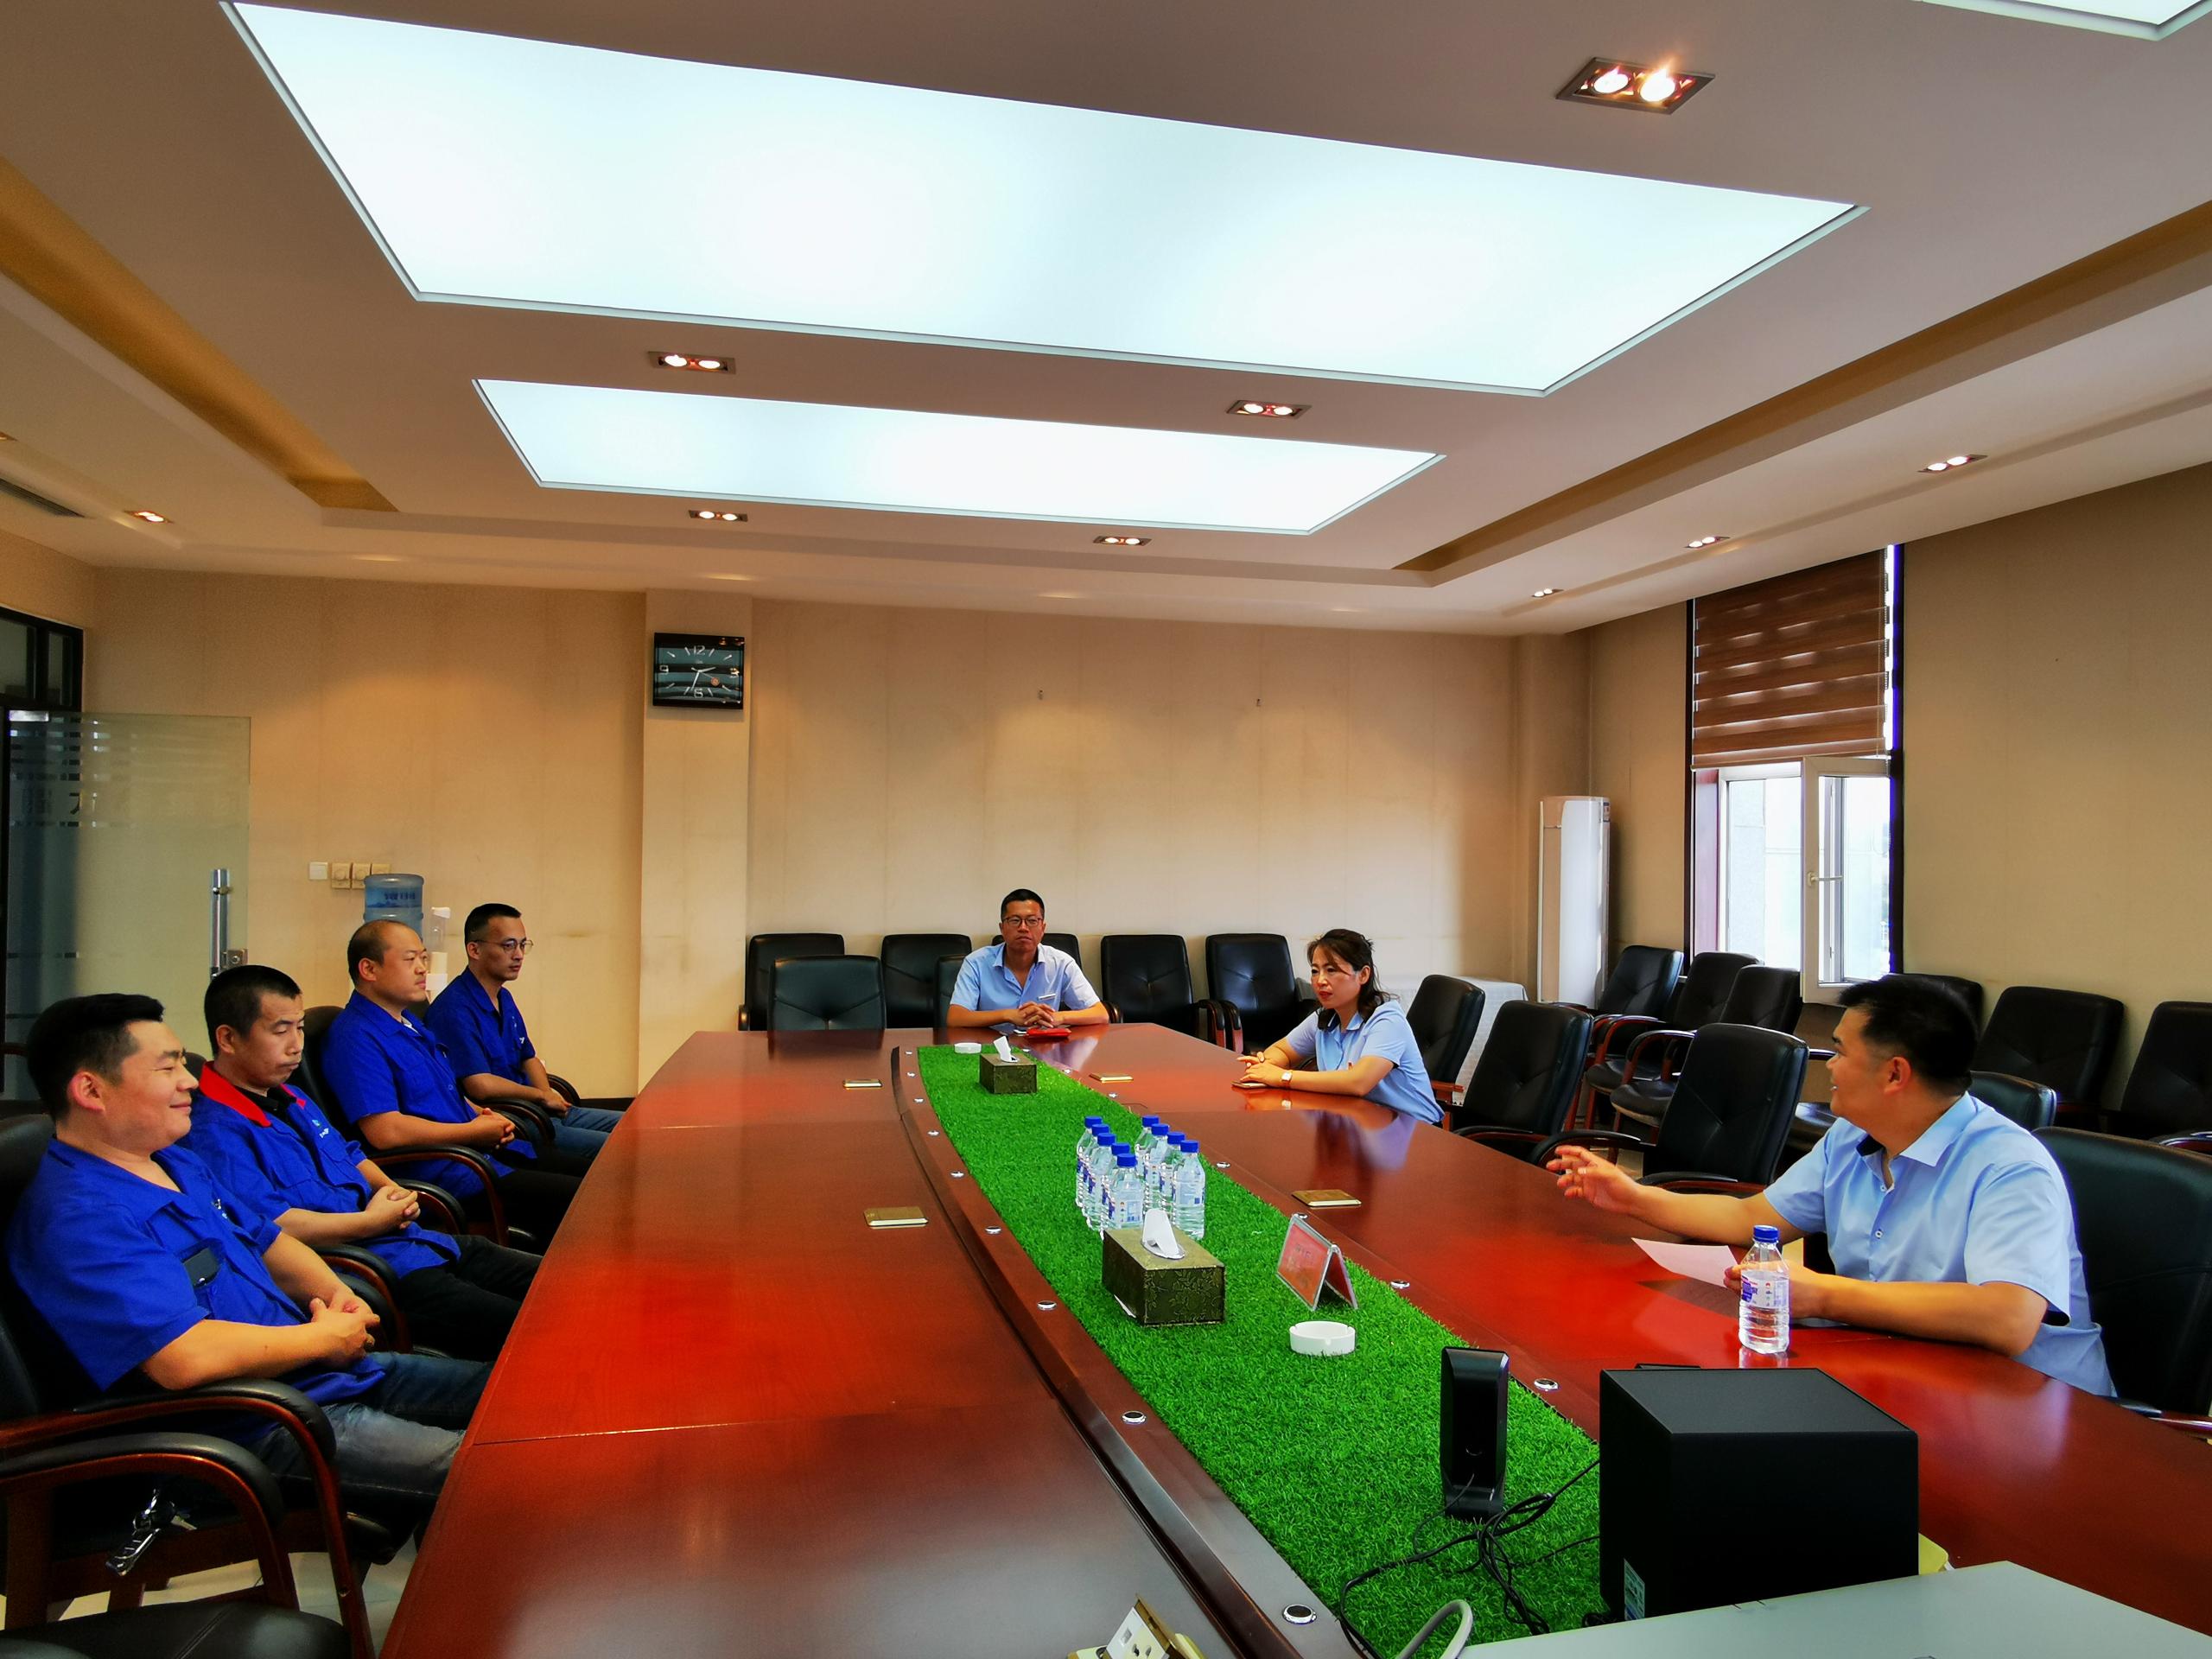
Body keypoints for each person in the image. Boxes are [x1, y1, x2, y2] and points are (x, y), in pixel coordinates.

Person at [7, 995, 486, 1511]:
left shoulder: (174, 1162)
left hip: (320, 1379)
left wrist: (337, 1297)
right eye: (167, 1068)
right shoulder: (81, 1217)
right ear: (91, 1090)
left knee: (510, 1396)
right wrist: (320, 1338)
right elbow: (183, 1358)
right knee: (497, 1470)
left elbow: (269, 1240)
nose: (190, 1081)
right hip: (252, 1428)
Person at [1548, 974, 2113, 1394]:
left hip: (2034, 1402)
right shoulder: (1853, 1137)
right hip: (1911, 1371)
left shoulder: (2010, 1166)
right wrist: (1635, 1198)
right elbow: (1751, 1219)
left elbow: (2008, 1319)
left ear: (1895, 1074)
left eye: (1841, 1051)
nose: (1831, 1066)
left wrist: (1822, 1294)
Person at [188, 964, 541, 1362]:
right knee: (536, 1327)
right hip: (372, 1272)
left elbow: (351, 1155)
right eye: (280, 1030)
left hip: (413, 1241)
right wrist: (370, 1222)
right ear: (228, 1039)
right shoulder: (213, 1132)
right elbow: (274, 1228)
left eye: (299, 1028)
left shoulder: (290, 1096)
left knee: (555, 1281)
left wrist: (394, 1192)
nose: (296, 1045)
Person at [320, 921, 583, 1240]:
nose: (422, 968)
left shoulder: (408, 1021)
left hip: (480, 1155)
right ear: (369, 969)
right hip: (448, 1174)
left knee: (594, 1173)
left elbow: (445, 1093)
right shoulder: (356, 1037)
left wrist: (482, 1115)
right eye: (410, 959)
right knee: (586, 1200)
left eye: (423, 958)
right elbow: (385, 1131)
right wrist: (472, 1132)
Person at [424, 903, 621, 1164]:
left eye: (522, 945)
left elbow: (528, 1057)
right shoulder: (453, 1009)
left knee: (636, 1126)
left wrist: (547, 1096)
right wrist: (539, 1096)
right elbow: (480, 1086)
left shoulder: (503, 997)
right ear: (475, 950)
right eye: (508, 946)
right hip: (512, 1120)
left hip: (538, 1110)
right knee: (620, 1146)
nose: (518, 955)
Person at [1237, 930, 1442, 1124]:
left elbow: (1359, 1082)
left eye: (1331, 970)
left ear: (1363, 975)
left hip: (1416, 1132)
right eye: (1315, 971)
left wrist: (1283, 1076)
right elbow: (1283, 1051)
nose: (1320, 981)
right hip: (1357, 1124)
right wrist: (1266, 1066)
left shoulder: (1387, 1020)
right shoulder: (1325, 1017)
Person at [948, 889, 1108, 1032]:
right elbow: (956, 1018)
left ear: (1043, 928)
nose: (1023, 928)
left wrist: (1057, 1017)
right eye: (1015, 920)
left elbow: (1100, 1014)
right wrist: (1008, 1015)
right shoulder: (976, 963)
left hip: (1045, 1047)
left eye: (1032, 921)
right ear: (1002, 928)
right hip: (992, 1047)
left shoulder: (1061, 963)